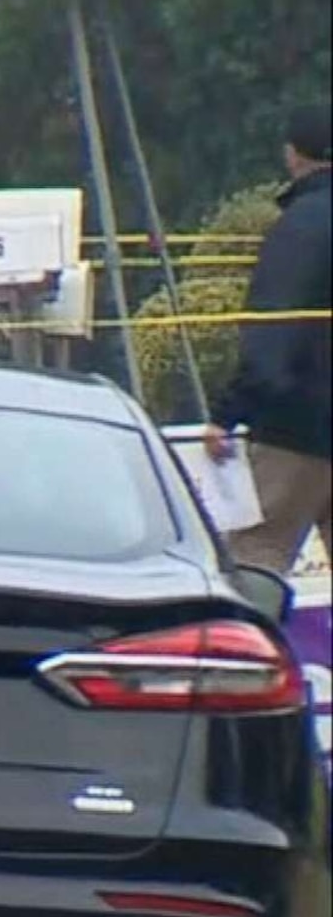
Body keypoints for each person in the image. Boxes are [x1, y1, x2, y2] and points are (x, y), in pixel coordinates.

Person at [205, 103, 332, 575]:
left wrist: (228, 412)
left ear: (293, 155)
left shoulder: (300, 227)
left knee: (256, 559)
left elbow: (276, 327)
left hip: (297, 428)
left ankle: (248, 652)